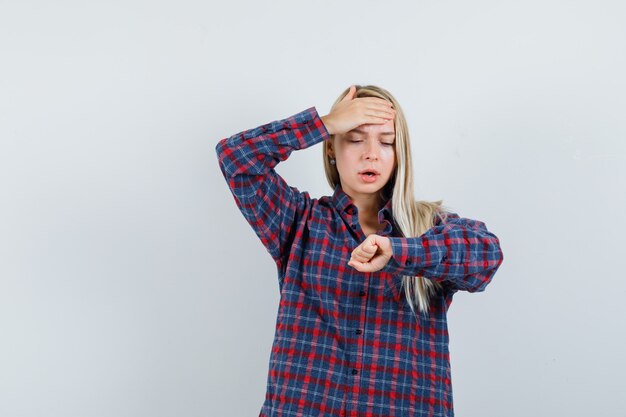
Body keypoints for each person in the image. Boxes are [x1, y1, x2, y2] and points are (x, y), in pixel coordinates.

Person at [215, 84, 504, 417]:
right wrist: (323, 123)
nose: (371, 153)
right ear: (331, 150)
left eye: (386, 142)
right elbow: (235, 157)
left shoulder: (429, 227)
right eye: (354, 138)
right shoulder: (297, 220)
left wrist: (398, 251)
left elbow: (487, 257)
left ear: (399, 154)